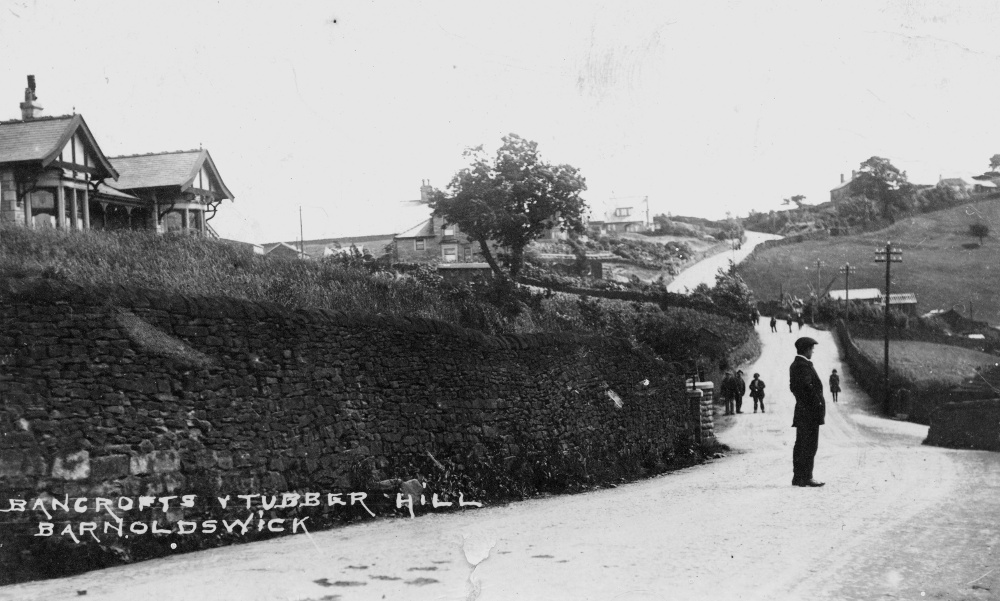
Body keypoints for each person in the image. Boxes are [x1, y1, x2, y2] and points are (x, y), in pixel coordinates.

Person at [790, 337, 826, 487]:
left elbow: (794, 387)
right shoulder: (803, 366)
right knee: (809, 445)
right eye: (812, 349)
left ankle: (799, 477)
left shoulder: (797, 364)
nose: (813, 352)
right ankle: (806, 477)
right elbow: (807, 387)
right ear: (806, 349)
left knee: (802, 444)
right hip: (809, 412)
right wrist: (817, 403)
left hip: (803, 411)